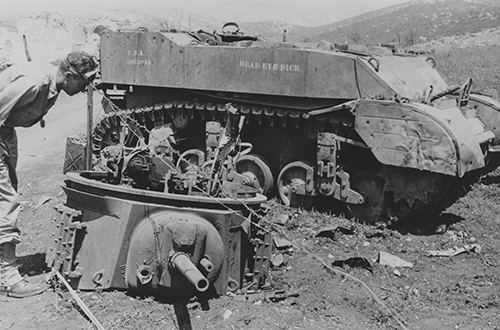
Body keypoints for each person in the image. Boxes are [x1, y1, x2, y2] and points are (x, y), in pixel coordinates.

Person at [0, 51, 97, 298]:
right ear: (69, 75)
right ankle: (8, 279)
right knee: (6, 202)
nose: (85, 88)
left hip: (5, 133)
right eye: (83, 82)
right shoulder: (36, 82)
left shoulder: (54, 83)